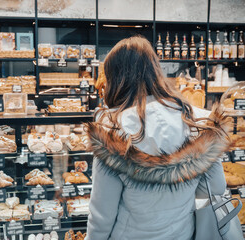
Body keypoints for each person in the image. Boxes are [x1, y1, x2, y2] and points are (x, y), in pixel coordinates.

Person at [85, 36, 229, 240]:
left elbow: (102, 214)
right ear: (155, 70)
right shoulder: (200, 123)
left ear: (116, 79)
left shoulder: (113, 131)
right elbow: (214, 189)